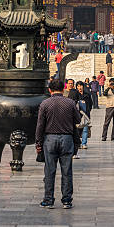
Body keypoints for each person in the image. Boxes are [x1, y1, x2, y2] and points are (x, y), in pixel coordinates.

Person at [35, 79, 81, 209]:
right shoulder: (70, 103)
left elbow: (40, 125)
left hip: (50, 139)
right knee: (67, 171)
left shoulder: (45, 104)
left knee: (50, 171)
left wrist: (38, 141)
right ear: (63, 89)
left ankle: (48, 199)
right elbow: (78, 119)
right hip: (67, 139)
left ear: (50, 90)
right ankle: (67, 200)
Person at [76, 81, 92, 149]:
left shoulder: (87, 95)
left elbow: (91, 104)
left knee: (85, 129)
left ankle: (84, 143)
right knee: (77, 129)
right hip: (77, 114)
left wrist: (88, 111)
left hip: (85, 114)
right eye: (78, 86)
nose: (79, 87)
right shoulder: (75, 95)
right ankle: (78, 143)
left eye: (81, 86)